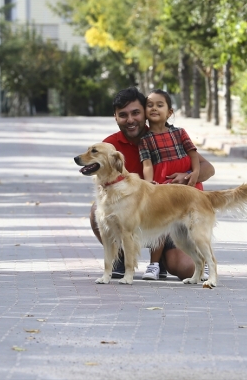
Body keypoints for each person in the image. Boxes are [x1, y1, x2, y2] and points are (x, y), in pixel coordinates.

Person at [89, 86, 215, 281]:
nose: (130, 120)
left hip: (172, 210)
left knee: (184, 268)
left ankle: (161, 261)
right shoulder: (109, 146)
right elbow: (102, 181)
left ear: (145, 114)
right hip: (135, 216)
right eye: (123, 115)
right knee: (98, 210)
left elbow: (208, 169)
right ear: (115, 117)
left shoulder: (166, 138)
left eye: (136, 113)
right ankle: (121, 255)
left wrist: (187, 175)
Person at [139, 89, 204, 280]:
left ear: (169, 112)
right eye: (149, 105)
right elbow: (147, 163)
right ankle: (153, 265)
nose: (154, 108)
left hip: (187, 188)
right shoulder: (145, 139)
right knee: (158, 227)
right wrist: (149, 183)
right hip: (161, 186)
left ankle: (204, 263)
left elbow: (193, 154)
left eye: (160, 105)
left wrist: (194, 174)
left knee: (193, 228)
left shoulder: (179, 133)